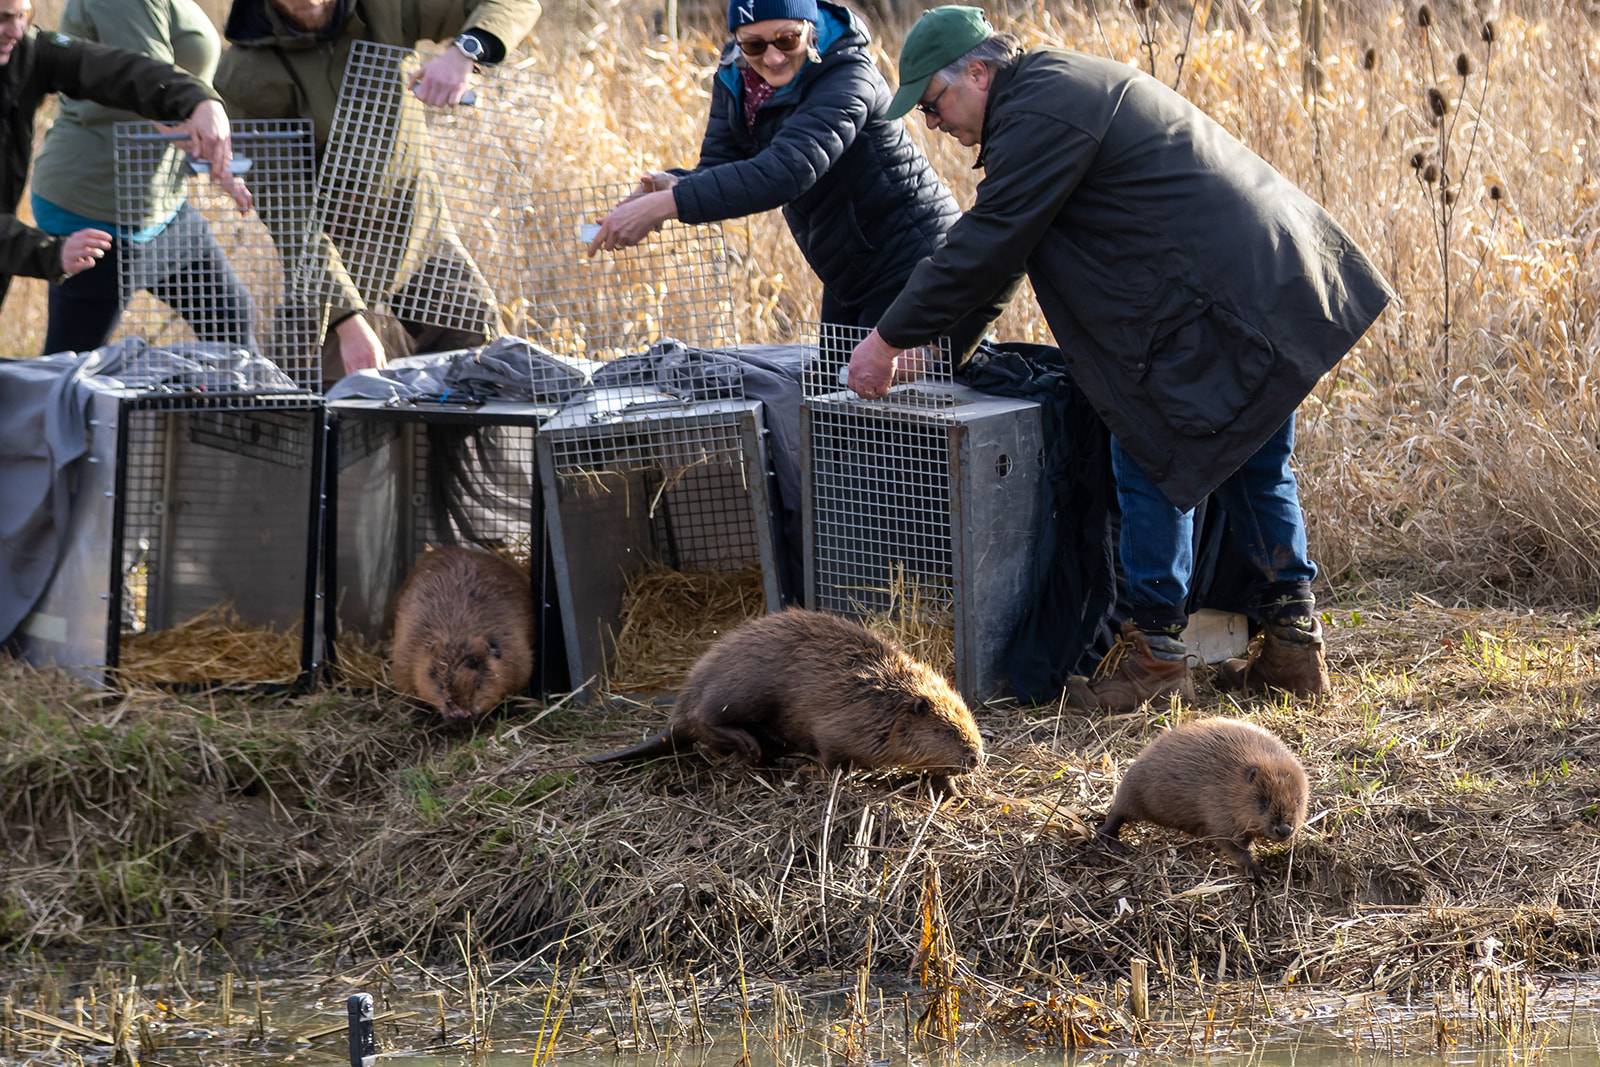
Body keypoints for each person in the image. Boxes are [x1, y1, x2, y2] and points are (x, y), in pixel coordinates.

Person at [847, 6, 1393, 711]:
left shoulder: (1040, 112)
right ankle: (1294, 645)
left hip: (1220, 299)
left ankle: (1157, 658)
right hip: (1264, 283)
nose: (935, 124)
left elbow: (982, 245)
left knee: (1151, 450)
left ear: (977, 73)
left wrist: (886, 339)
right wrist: (946, 353)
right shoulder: (1052, 92)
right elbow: (1009, 254)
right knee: (1256, 459)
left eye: (933, 103)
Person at [588, 0, 988, 338]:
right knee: (835, 405)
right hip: (850, 272)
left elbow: (788, 170)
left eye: (786, 39)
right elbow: (725, 167)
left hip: (916, 266)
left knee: (891, 416)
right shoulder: (736, 81)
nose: (773, 57)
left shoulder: (849, 75)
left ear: (808, 27)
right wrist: (673, 185)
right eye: (754, 45)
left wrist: (663, 206)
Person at [214, 0, 542, 378]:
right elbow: (289, 213)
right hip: (333, 253)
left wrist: (464, 52)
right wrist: (346, 318)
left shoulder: (385, 9)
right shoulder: (244, 72)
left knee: (478, 353)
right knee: (324, 392)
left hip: (419, 231)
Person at [30, 0, 251, 356]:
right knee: (71, 367)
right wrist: (214, 151)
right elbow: (153, 89)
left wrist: (218, 162)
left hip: (163, 209)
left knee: (231, 321)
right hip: (97, 209)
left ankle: (233, 414)